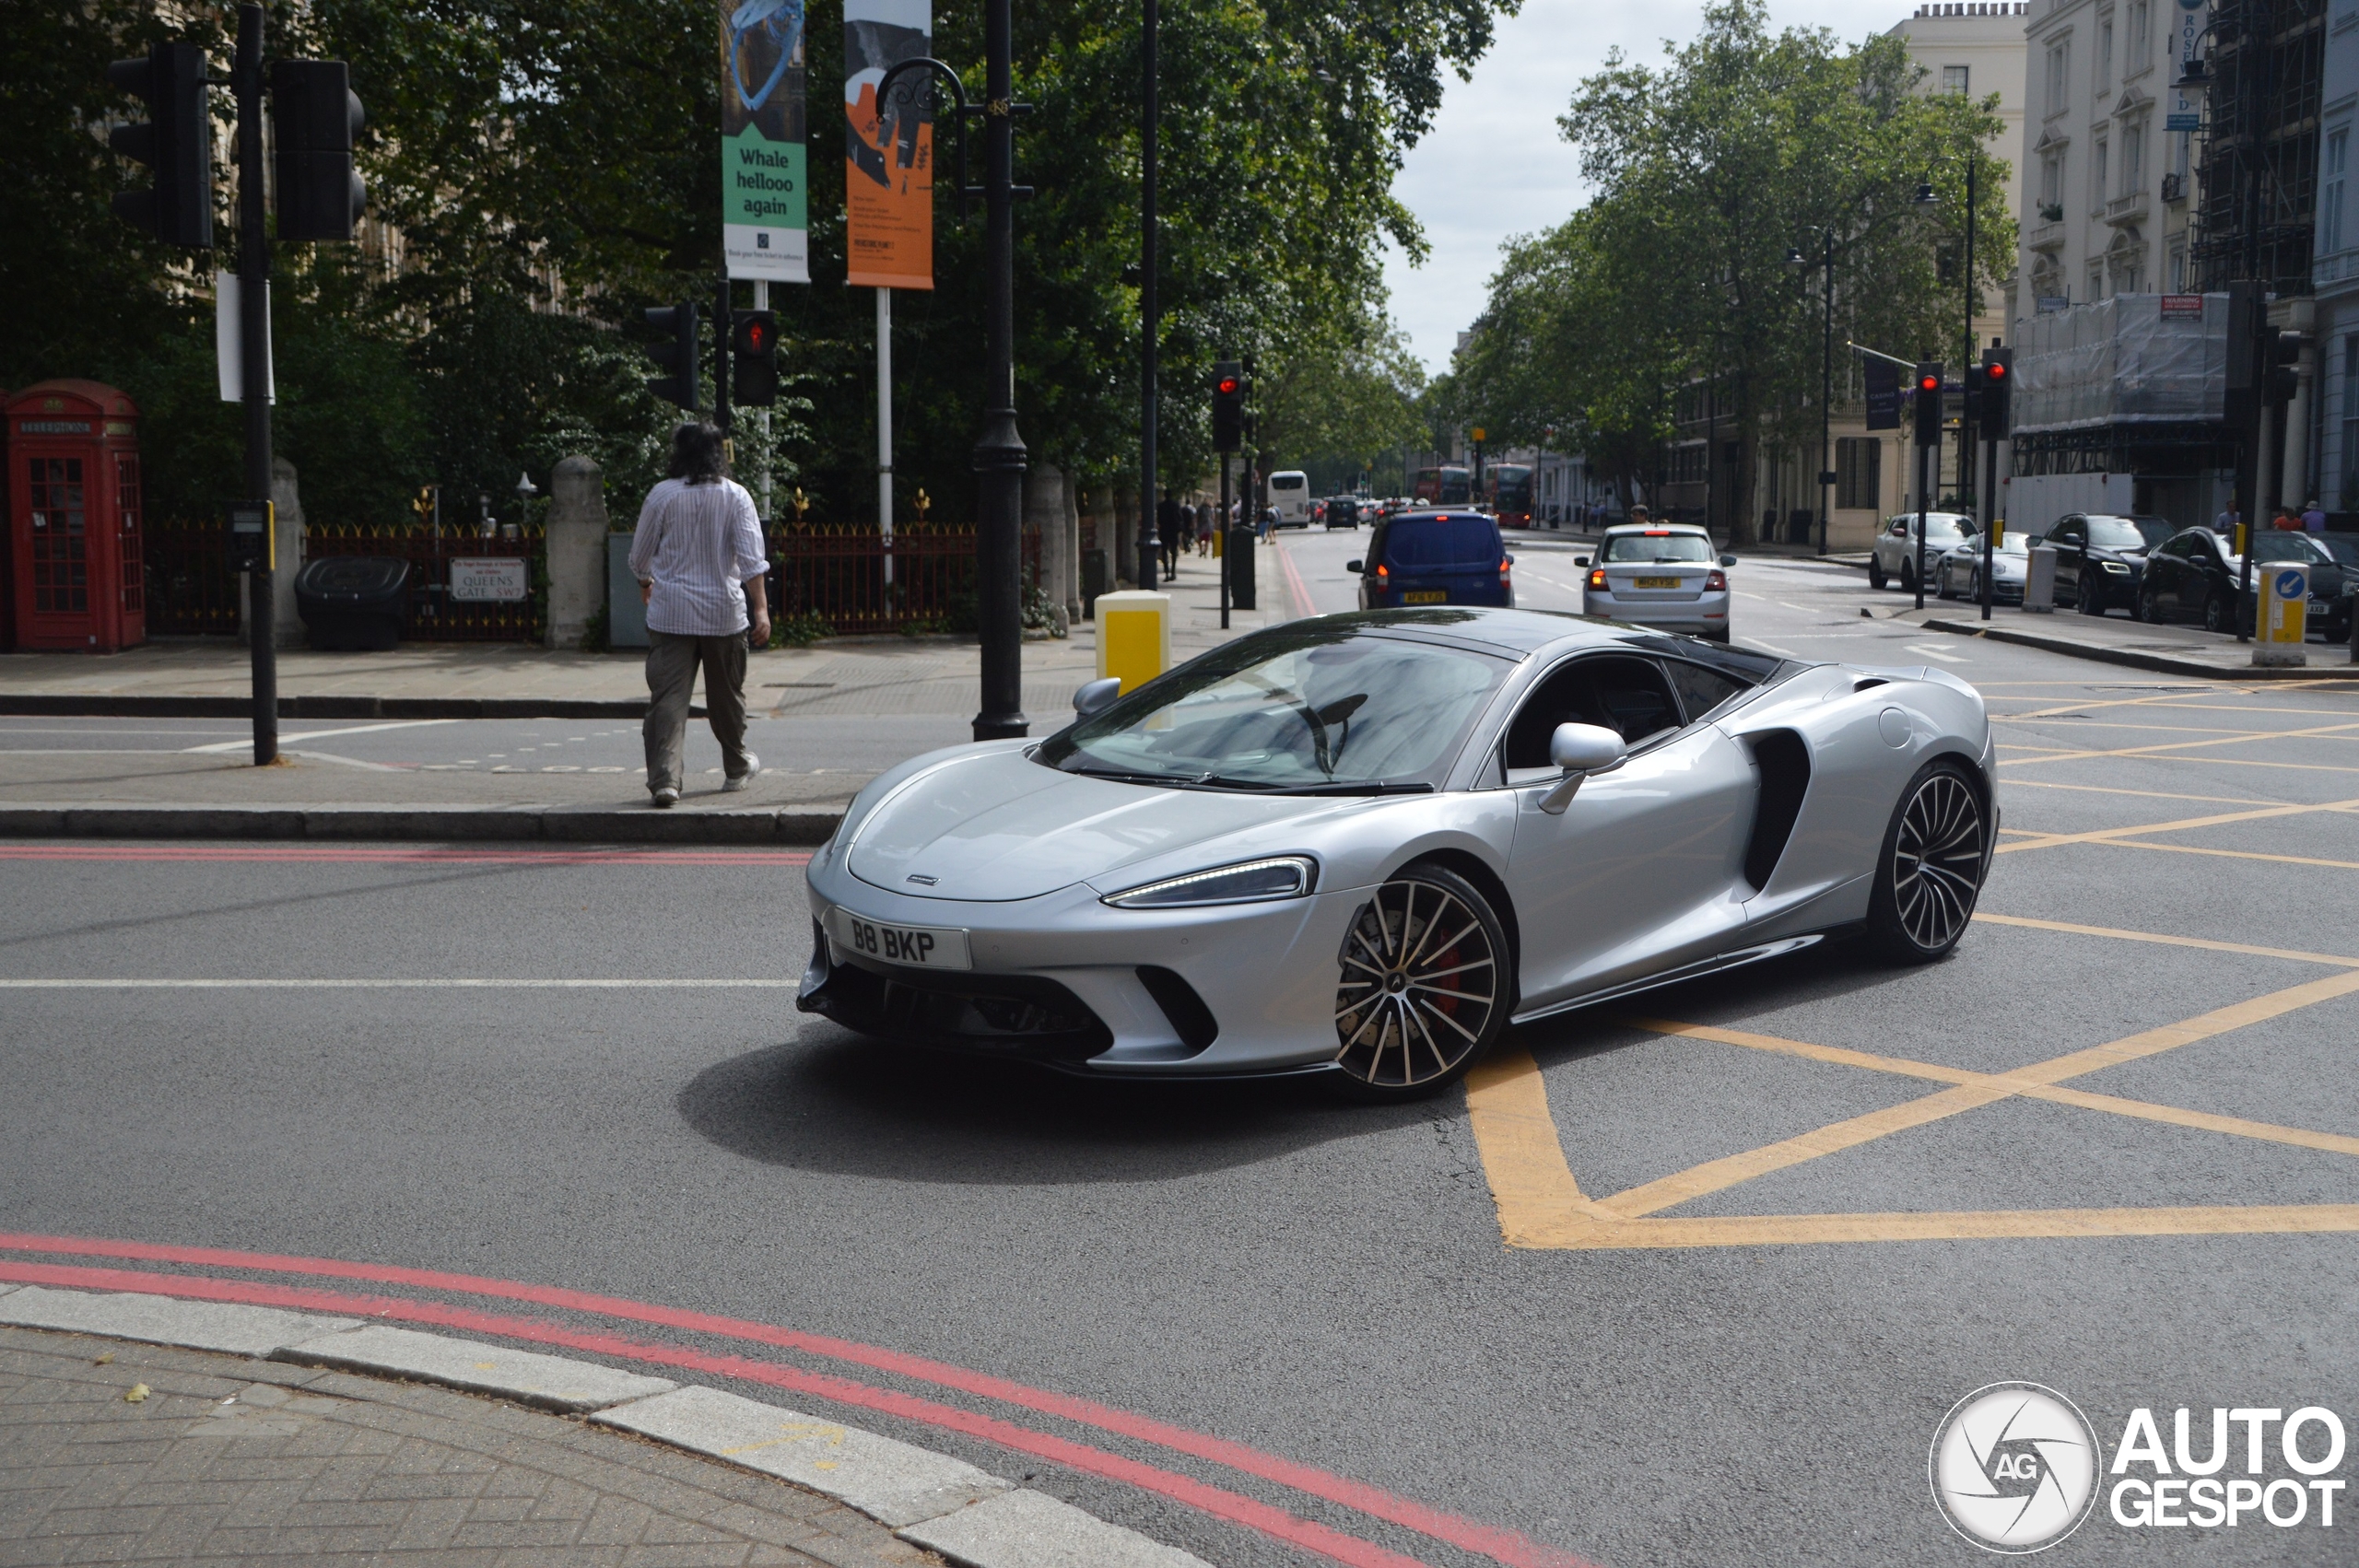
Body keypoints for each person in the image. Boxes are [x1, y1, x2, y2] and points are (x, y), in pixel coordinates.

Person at [628, 422, 770, 808]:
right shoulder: (737, 496)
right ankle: (737, 766)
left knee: (669, 701)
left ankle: (665, 782)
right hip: (723, 615)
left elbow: (640, 558)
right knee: (727, 697)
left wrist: (646, 583)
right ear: (717, 453)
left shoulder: (662, 495)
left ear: (679, 453)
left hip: (671, 614)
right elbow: (752, 560)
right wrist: (761, 610)